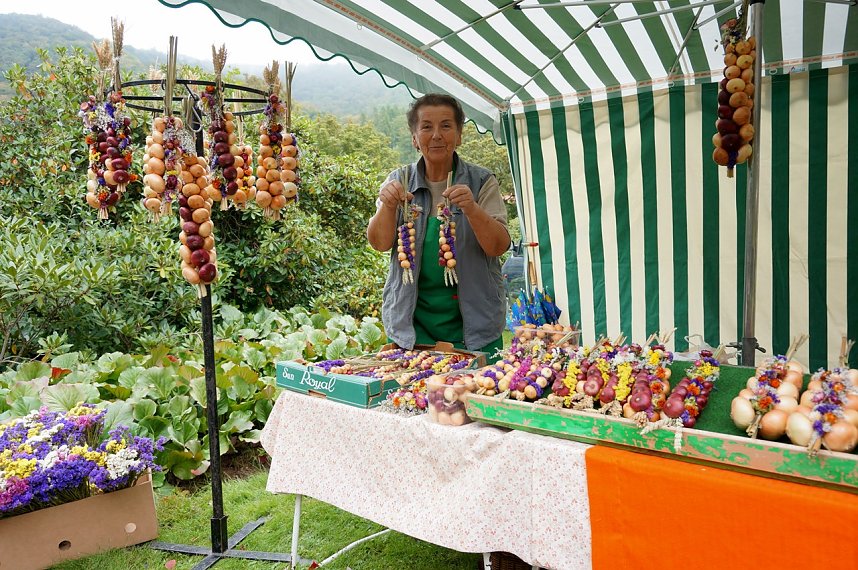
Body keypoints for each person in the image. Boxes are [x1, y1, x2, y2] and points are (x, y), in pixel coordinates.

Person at [367, 93, 510, 355]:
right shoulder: (398, 181)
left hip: (475, 328)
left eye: (446, 126)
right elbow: (379, 243)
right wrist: (388, 206)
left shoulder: (481, 182)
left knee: (474, 394)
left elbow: (498, 245)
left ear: (459, 136)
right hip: (413, 328)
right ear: (414, 138)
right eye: (426, 127)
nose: (436, 135)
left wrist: (472, 209)